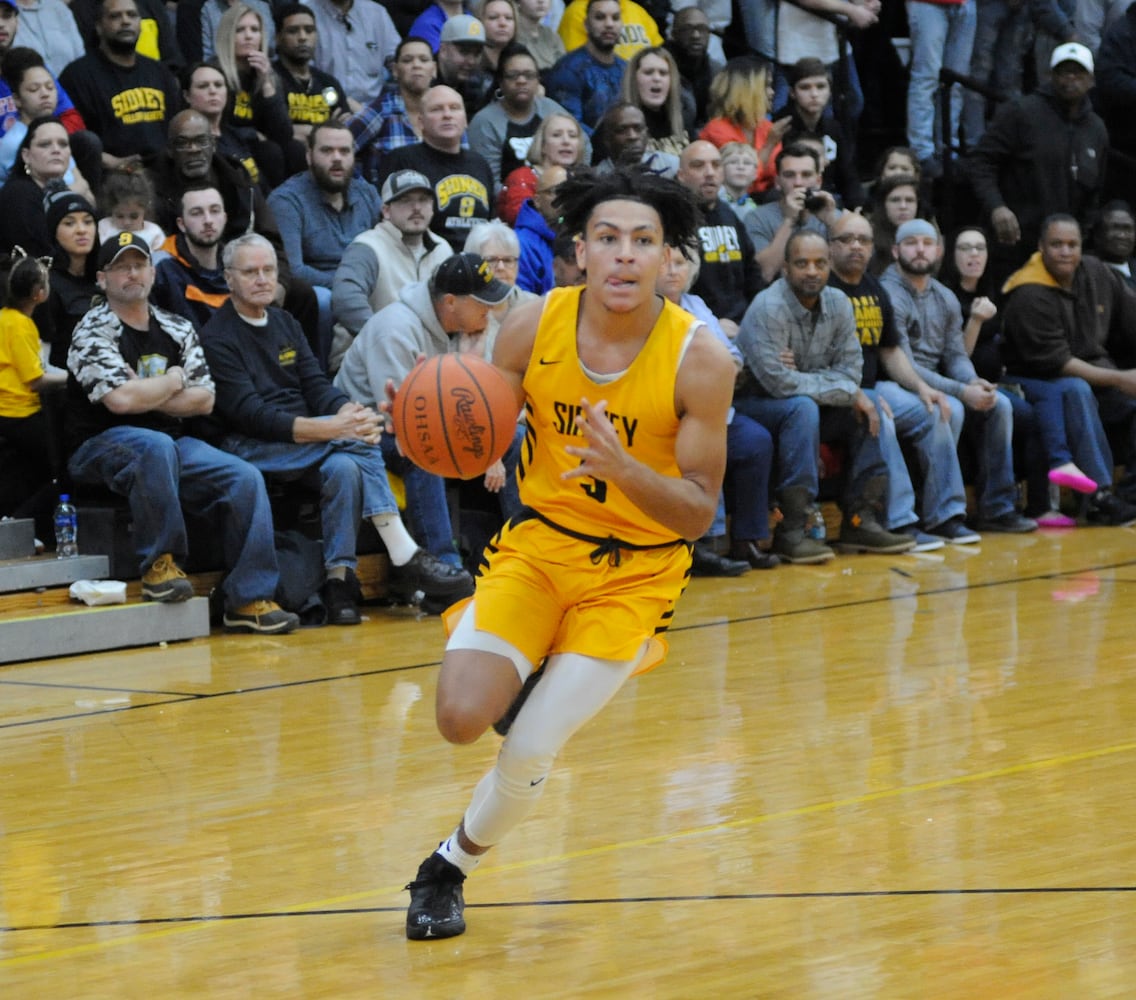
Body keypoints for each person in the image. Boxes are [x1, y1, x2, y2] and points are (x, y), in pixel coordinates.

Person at [399, 167, 735, 941]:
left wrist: (625, 470)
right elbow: (476, 419)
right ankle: (528, 676)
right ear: (579, 251)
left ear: (667, 258)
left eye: (642, 242)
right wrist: (431, 416)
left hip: (636, 571)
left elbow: (696, 513)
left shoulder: (702, 360)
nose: (624, 257)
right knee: (456, 719)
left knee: (526, 752)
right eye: (608, 240)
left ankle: (447, 866)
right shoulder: (529, 324)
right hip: (541, 546)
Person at [200, 234, 475, 624]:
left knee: (346, 466)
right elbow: (251, 414)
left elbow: (316, 385)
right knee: (360, 443)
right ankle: (402, 551)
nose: (261, 279)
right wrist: (336, 428)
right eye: (249, 272)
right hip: (248, 445)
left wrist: (349, 412)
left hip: (301, 442)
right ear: (228, 279)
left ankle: (339, 582)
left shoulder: (285, 322)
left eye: (268, 270)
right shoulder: (218, 335)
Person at [66, 232, 301, 633]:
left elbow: (205, 400)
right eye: (121, 267)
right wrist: (175, 380)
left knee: (243, 476)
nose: (132, 274)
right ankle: (160, 566)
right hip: (99, 445)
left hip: (171, 443)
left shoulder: (176, 326)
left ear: (153, 273)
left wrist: (149, 390)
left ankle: (247, 598)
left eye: (139, 265)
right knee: (154, 445)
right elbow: (120, 404)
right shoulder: (91, 331)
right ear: (103, 279)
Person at [734, 230, 915, 562]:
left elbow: (851, 372)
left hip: (804, 404)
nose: (812, 271)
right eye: (802, 263)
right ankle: (793, 531)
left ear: (830, 266)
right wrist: (843, 388)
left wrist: (848, 389)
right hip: (753, 406)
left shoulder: (839, 303)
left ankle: (861, 520)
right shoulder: (769, 306)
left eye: (819, 263)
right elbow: (779, 385)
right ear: (786, 268)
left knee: (869, 400)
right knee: (803, 407)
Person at [334, 252, 512, 581]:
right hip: (365, 429)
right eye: (481, 302)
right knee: (425, 450)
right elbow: (409, 422)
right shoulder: (396, 330)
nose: (490, 309)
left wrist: (493, 443)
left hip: (415, 422)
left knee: (514, 439)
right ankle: (442, 566)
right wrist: (481, 445)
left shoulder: (459, 328)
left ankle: (523, 553)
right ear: (449, 302)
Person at [880, 219, 1037, 535]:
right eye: (911, 243)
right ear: (896, 251)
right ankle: (940, 516)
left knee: (1001, 405)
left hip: (936, 381)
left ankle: (997, 508)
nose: (920, 249)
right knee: (951, 407)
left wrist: (972, 381)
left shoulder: (944, 296)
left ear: (938, 251)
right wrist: (962, 392)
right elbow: (903, 365)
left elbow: (954, 355)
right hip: (898, 382)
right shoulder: (888, 293)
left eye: (927, 243)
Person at [826, 211, 966, 548]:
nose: (855, 246)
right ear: (830, 247)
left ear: (874, 248)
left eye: (863, 240)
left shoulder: (874, 288)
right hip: (836, 390)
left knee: (935, 410)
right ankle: (899, 521)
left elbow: (890, 352)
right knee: (881, 418)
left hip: (877, 385)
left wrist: (922, 388)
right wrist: (861, 392)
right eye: (846, 239)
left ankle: (945, 515)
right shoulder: (825, 288)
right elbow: (817, 360)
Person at [1000, 214, 1136, 524]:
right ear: (1041, 247)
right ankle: (1099, 499)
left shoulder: (1096, 272)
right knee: (1076, 390)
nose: (1065, 252)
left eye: (1072, 244)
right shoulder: (1029, 292)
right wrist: (1119, 378)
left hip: (1093, 377)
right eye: (1057, 244)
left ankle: (1127, 497)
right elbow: (1059, 363)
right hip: (1034, 380)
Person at [657, 243, 777, 571]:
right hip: (669, 414)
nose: (673, 270)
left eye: (680, 263)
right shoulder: (647, 310)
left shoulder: (697, 305)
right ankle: (704, 544)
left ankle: (746, 539)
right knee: (709, 444)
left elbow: (732, 356)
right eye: (666, 263)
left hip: (712, 408)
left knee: (755, 441)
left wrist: (726, 369)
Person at [967, 42, 1109, 282]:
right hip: (1015, 245)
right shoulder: (1021, 112)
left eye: (1079, 72)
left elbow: (1096, 193)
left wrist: (1080, 237)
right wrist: (996, 207)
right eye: (1064, 72)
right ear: (1051, 75)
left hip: (1063, 253)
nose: (1071, 78)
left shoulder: (1097, 129)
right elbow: (981, 162)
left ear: (1091, 80)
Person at [267, 121, 381, 367]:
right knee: (323, 300)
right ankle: (321, 373)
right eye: (327, 151)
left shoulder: (368, 194)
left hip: (364, 283)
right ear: (309, 156)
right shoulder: (286, 200)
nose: (337, 158)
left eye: (344, 151)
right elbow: (294, 270)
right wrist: (348, 285)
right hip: (322, 290)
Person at [330, 168, 453, 367]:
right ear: (386, 210)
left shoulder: (443, 249)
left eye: (423, 200)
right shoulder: (367, 247)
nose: (416, 207)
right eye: (406, 200)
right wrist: (388, 340)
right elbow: (346, 300)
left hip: (428, 365)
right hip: (367, 361)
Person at [59, 0, 181, 171]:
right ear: (99, 27)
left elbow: (175, 129)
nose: (125, 21)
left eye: (132, 15)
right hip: (111, 177)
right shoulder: (77, 77)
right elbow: (74, 139)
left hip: (163, 173)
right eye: (115, 16)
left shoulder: (160, 73)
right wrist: (106, 161)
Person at [379, 85, 497, 253]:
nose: (447, 114)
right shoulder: (402, 160)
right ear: (421, 122)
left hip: (477, 263)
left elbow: (491, 223)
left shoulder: (480, 164)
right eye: (436, 109)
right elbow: (387, 224)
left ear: (465, 120)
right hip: (424, 260)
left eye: (454, 108)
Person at [0, 252, 66, 542]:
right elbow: (36, 379)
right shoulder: (23, 325)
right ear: (40, 294)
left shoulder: (4, 317)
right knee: (61, 470)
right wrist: (73, 377)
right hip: (19, 412)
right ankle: (16, 524)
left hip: (7, 413)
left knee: (30, 472)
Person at [675, 140, 761, 336]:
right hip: (696, 327)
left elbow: (752, 274)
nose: (709, 173)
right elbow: (671, 290)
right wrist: (709, 323)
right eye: (698, 166)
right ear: (681, 175)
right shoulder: (673, 219)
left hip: (741, 325)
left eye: (716, 165)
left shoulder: (728, 214)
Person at [212, 3, 295, 187]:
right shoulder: (215, 73)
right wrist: (253, 134)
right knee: (270, 152)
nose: (248, 35)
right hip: (225, 146)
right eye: (240, 30)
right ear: (228, 36)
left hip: (259, 148)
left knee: (294, 150)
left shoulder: (269, 76)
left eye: (255, 30)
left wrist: (266, 83)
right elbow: (219, 126)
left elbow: (283, 134)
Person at [468, 42, 575, 184]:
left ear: (538, 80)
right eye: (513, 76)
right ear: (500, 81)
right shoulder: (485, 122)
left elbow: (583, 147)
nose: (521, 81)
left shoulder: (550, 109)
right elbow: (489, 182)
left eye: (529, 75)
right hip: (509, 201)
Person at [0, 47, 99, 192]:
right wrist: (77, 190)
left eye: (50, 87)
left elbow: (84, 186)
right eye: (34, 89)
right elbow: (40, 197)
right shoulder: (13, 142)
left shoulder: (57, 132)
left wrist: (80, 190)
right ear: (17, 99)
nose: (45, 94)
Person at [344, 36, 437, 189]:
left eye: (423, 59)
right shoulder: (380, 110)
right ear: (395, 70)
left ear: (434, 69)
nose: (416, 65)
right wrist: (364, 194)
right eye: (407, 60)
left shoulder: (447, 109)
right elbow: (338, 149)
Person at [771, 57, 863, 209]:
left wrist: (857, 205)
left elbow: (847, 173)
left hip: (828, 197)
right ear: (792, 93)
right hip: (787, 200)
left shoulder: (833, 127)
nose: (814, 94)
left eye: (821, 87)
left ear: (830, 91)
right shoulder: (780, 126)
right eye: (805, 87)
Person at [748, 143, 840, 285]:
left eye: (806, 175)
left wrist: (832, 223)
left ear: (818, 181)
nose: (798, 182)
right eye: (790, 175)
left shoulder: (833, 215)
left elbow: (853, 269)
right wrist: (789, 221)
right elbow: (765, 273)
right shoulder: (757, 218)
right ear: (777, 182)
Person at [904, 0, 976, 178]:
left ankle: (948, 147)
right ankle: (922, 153)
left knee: (957, 82)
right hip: (927, 3)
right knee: (926, 78)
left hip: (966, 4)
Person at [698, 56, 786, 196]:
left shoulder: (767, 127)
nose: (772, 93)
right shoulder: (717, 130)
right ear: (745, 91)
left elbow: (777, 176)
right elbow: (741, 181)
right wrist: (769, 145)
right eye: (766, 86)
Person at [0, 118, 87, 257]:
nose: (56, 150)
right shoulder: (18, 194)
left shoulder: (65, 196)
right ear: (26, 156)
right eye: (45, 144)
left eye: (63, 144)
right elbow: (35, 259)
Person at [271, 3, 350, 146]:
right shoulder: (269, 78)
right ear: (277, 37)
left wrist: (302, 130)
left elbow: (343, 128)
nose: (302, 37)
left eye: (309, 30)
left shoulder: (328, 82)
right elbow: (273, 131)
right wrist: (324, 131)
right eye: (293, 31)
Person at [152, 185, 230, 327]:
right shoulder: (161, 267)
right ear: (181, 224)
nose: (208, 220)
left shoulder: (238, 263)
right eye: (196, 213)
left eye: (214, 211)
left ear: (224, 218)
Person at [544, 0, 626, 133]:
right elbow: (569, 125)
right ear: (586, 24)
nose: (609, 24)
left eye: (615, 18)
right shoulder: (569, 70)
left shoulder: (625, 68)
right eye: (600, 17)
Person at [302, 0, 400, 109]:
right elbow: (303, 74)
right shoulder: (305, 15)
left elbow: (397, 59)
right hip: (325, 106)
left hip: (374, 109)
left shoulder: (377, 13)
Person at [496, 109, 586, 224]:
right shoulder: (522, 177)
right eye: (556, 135)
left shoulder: (583, 179)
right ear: (542, 145)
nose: (566, 141)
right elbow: (521, 219)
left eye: (572, 136)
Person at [43, 189, 98, 368]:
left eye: (88, 222)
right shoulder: (46, 283)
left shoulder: (106, 277)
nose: (82, 230)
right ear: (54, 232)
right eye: (69, 223)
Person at [619, 45, 688, 157]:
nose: (657, 78)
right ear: (634, 79)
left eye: (663, 73)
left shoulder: (685, 116)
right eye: (648, 72)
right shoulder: (616, 122)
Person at [514, 163, 564, 293]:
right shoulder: (521, 243)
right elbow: (521, 298)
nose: (563, 198)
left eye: (566, 191)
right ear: (537, 200)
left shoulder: (578, 233)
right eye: (555, 191)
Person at [557, 0, 661, 59]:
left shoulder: (637, 10)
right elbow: (577, 60)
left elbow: (660, 53)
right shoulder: (577, 11)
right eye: (600, 17)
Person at [435, 13, 493, 118]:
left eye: (477, 54)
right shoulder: (424, 83)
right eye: (464, 52)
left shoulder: (478, 86)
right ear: (443, 50)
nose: (471, 61)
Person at [664, 6, 713, 129]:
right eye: (687, 29)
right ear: (674, 34)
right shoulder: (661, 66)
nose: (696, 35)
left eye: (702, 29)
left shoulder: (714, 69)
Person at [867, 174, 926, 277]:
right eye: (895, 200)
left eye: (909, 200)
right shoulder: (868, 236)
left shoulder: (928, 235)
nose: (903, 206)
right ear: (883, 204)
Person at [97, 167, 166, 252]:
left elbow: (160, 261)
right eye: (120, 216)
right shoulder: (103, 227)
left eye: (134, 216)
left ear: (146, 209)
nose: (126, 222)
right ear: (111, 209)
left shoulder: (154, 233)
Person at [1093, 201, 1136, 288]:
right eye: (1115, 228)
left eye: (1127, 229)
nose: (1122, 236)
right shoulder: (1087, 272)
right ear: (1098, 235)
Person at [513, 0, 565, 70]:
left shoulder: (551, 35)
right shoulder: (510, 33)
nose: (541, 1)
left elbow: (563, 68)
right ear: (518, 2)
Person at [480, 0, 518, 72]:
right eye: (493, 17)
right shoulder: (473, 60)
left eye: (508, 18)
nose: (502, 23)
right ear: (480, 21)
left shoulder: (522, 53)